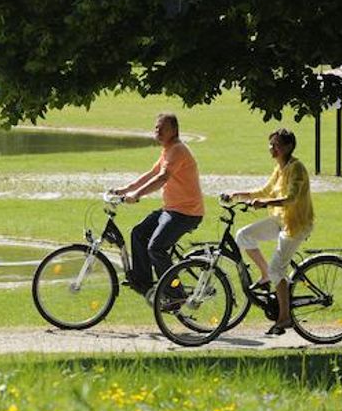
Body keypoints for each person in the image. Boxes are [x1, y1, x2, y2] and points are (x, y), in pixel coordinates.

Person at [223, 128, 314, 336]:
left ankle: (284, 318)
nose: (272, 148)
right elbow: (264, 191)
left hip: (296, 224)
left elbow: (291, 198)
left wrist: (264, 203)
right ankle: (265, 275)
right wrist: (237, 195)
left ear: (288, 147)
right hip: (280, 220)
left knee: (277, 270)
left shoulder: (296, 168)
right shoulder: (279, 168)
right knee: (243, 236)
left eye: (276, 145)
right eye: (271, 144)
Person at [112, 113, 205, 298]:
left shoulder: (178, 150)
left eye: (163, 128)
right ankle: (144, 284)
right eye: (156, 127)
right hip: (171, 209)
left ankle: (176, 294)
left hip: (186, 212)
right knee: (138, 233)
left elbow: (162, 178)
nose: (158, 131)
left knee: (156, 248)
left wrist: (137, 195)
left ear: (175, 130)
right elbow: (152, 173)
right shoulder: (167, 150)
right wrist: (125, 189)